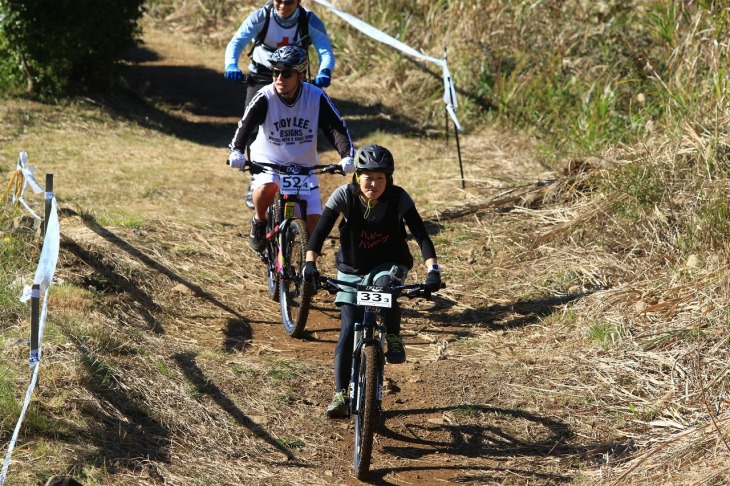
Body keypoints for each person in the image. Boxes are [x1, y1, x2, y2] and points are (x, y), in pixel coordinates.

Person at [302, 144, 443, 418]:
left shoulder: (399, 198)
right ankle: (340, 394)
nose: (374, 183)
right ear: (357, 176)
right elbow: (319, 232)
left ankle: (392, 334)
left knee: (384, 287)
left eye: (380, 178)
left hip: (389, 264)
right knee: (347, 326)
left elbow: (422, 236)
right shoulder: (344, 195)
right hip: (351, 268)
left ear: (388, 179)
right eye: (368, 177)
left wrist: (433, 270)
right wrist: (310, 263)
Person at [227, 45, 354, 252]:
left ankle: (306, 268)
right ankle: (259, 222)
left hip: (303, 163)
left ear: (301, 75)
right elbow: (246, 125)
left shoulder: (316, 96)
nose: (279, 78)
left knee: (314, 223)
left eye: (286, 74)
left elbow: (335, 127)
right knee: (269, 186)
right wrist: (237, 151)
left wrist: (347, 155)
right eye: (275, 72)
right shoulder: (265, 96)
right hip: (269, 159)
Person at [224, 0, 336, 209]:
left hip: (294, 73)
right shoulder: (261, 16)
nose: (283, 6)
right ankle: (257, 179)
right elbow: (237, 41)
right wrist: (231, 63)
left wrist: (325, 71)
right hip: (262, 74)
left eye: (289, 2)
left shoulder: (309, 20)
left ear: (299, 2)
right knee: (254, 126)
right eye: (279, 0)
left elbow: (326, 51)